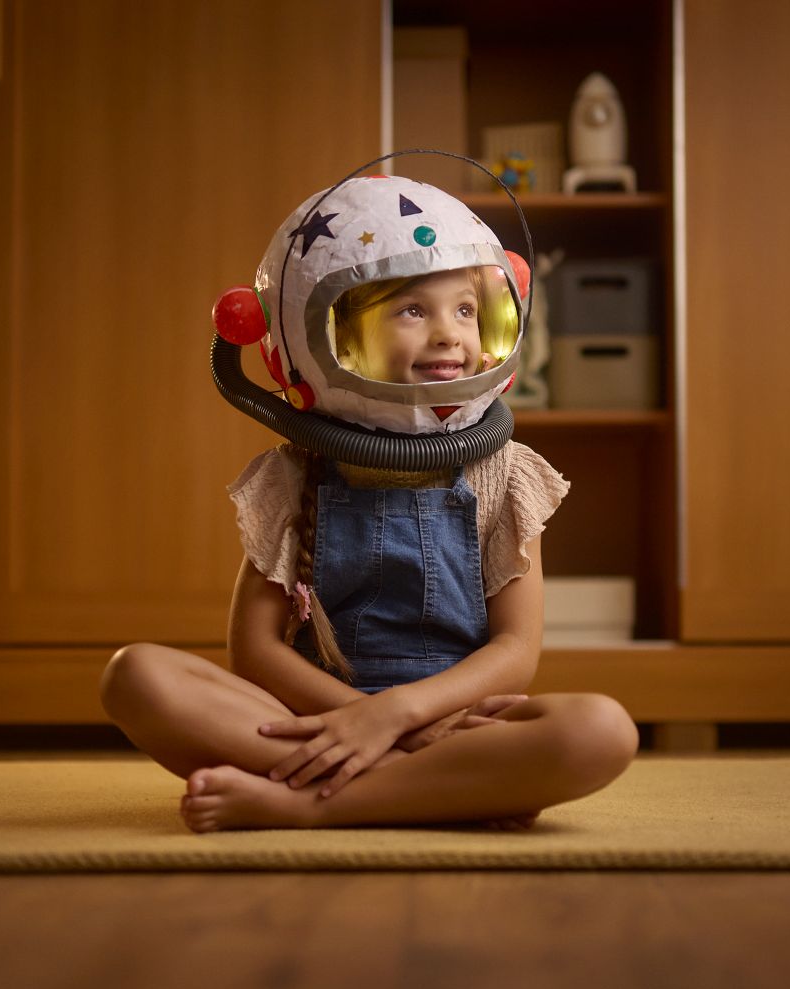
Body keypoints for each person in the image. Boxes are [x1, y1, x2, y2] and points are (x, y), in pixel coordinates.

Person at [99, 168, 638, 832]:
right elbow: (255, 649)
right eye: (414, 310)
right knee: (137, 675)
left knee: (600, 729)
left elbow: (516, 650)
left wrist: (396, 716)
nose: (449, 335)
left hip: (449, 721)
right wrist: (353, 720)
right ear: (328, 332)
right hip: (318, 721)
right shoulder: (294, 475)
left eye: (465, 310)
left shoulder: (504, 472)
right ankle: (437, 792)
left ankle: (306, 806)